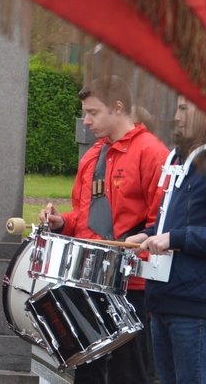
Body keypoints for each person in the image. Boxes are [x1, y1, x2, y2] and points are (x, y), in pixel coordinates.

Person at [40, 75, 167, 384]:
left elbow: (162, 222)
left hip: (131, 286)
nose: (86, 121)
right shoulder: (94, 155)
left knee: (130, 373)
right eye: (86, 112)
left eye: (93, 112)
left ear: (118, 108)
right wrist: (63, 222)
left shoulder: (151, 151)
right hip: (89, 278)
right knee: (88, 372)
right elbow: (85, 217)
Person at [126, 95, 206, 384]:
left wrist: (175, 238)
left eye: (184, 109)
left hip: (193, 305)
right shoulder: (178, 160)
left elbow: (180, 231)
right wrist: (147, 235)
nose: (176, 117)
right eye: (177, 108)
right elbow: (168, 221)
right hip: (161, 299)